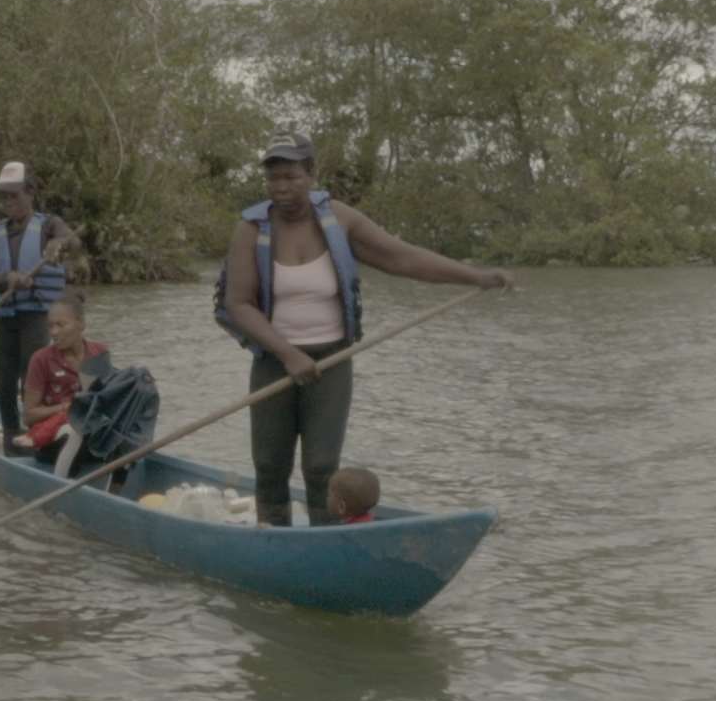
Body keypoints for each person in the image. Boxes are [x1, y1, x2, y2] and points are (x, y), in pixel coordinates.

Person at [218, 131, 511, 526]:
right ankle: (273, 540)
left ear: (312, 175)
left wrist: (474, 276)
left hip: (333, 358)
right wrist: (289, 354)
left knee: (322, 467)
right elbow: (239, 304)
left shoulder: (338, 219)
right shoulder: (252, 229)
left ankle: (323, 548)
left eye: (291, 177)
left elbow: (404, 259)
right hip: (275, 358)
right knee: (270, 467)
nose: (281, 188)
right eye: (273, 179)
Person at [0, 162, 76, 454]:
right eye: (5, 198)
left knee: (31, 379)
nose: (10, 203)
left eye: (15, 196)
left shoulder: (49, 225)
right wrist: (8, 278)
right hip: (7, 318)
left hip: (36, 316)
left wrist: (57, 245)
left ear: (30, 193)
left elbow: (73, 240)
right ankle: (11, 443)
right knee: (4, 383)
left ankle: (36, 439)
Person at [19, 292, 107, 470]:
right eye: (50, 326)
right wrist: (64, 408)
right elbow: (29, 416)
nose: (54, 332)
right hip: (52, 439)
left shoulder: (100, 352)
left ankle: (113, 490)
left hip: (90, 432)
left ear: (81, 323)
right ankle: (59, 484)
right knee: (72, 431)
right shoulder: (41, 359)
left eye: (61, 325)